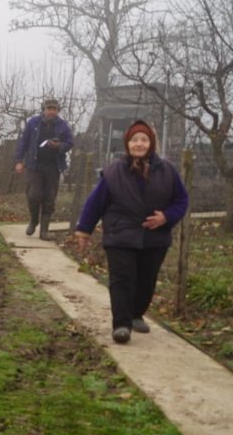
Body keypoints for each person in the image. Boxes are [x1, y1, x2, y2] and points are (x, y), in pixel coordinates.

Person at [74, 120, 189, 344]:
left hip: (154, 236)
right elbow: (96, 202)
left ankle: (136, 314)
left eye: (144, 140)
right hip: (120, 233)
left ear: (151, 143)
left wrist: (167, 217)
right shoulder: (114, 171)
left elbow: (181, 200)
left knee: (146, 280)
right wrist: (84, 230)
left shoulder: (167, 171)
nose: (139, 144)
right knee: (121, 279)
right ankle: (122, 325)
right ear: (127, 144)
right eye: (134, 140)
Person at [15, 97, 74, 240]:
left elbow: (69, 143)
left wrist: (59, 146)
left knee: (49, 199)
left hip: (53, 167)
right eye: (49, 109)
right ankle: (33, 220)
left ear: (57, 111)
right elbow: (24, 142)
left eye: (54, 109)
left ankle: (44, 231)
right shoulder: (33, 123)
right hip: (34, 165)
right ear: (44, 109)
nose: (52, 111)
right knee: (33, 195)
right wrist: (19, 160)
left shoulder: (62, 125)